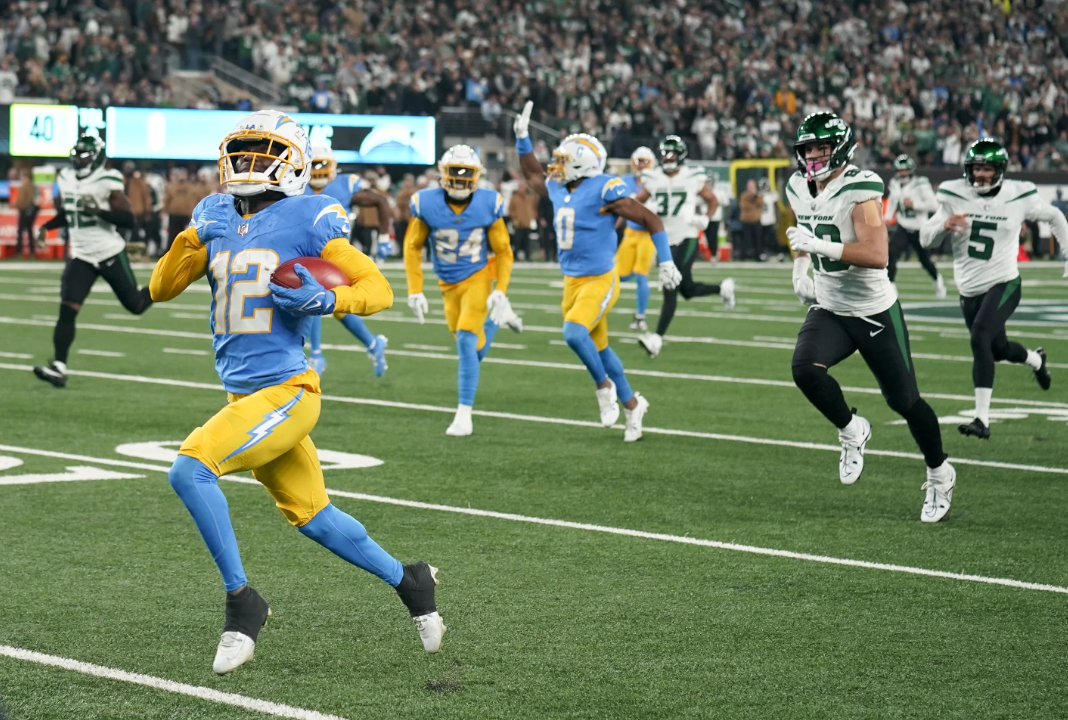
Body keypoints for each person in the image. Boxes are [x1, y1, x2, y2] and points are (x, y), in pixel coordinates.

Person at [148, 110, 443, 675]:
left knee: (191, 469)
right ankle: (412, 582)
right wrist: (191, 236)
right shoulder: (212, 212)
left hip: (288, 390)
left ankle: (243, 604)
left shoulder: (311, 213)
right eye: (245, 150)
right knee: (314, 516)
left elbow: (377, 288)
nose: (249, 163)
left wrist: (328, 301)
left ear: (294, 161)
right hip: (245, 398)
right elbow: (161, 288)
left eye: (265, 152)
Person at [785, 112, 955, 523]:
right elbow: (803, 233)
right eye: (808, 148)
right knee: (805, 369)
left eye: (822, 147)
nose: (813, 155)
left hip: (872, 310)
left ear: (840, 148)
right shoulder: (796, 185)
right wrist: (800, 264)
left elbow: (878, 256)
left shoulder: (860, 187)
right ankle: (851, 429)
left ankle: (939, 472)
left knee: (905, 401)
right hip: (830, 306)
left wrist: (818, 248)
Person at [513, 101, 682, 441]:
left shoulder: (605, 188)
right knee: (601, 349)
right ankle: (634, 405)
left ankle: (603, 387)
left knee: (574, 333)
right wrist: (521, 138)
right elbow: (532, 172)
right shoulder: (560, 185)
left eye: (564, 161)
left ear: (583, 164)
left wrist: (665, 260)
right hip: (571, 282)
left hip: (601, 279)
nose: (556, 166)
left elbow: (651, 219)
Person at [920, 138, 1064, 439]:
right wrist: (943, 224)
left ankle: (982, 420)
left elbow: (1054, 216)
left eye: (986, 168)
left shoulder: (1018, 194)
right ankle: (1036, 360)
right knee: (997, 349)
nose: (980, 174)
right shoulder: (953, 193)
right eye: (975, 168)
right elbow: (924, 238)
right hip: (969, 290)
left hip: (1005, 281)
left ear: (999, 170)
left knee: (980, 337)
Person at [403, 145, 521, 436]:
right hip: (447, 284)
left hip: (478, 276)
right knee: (472, 350)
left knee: (467, 343)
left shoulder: (487, 203)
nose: (458, 178)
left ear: (476, 175)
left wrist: (501, 288)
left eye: (465, 172)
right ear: (442, 173)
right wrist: (415, 289)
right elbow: (412, 247)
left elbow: (503, 252)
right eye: (453, 171)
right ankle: (497, 319)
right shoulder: (427, 203)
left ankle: (464, 414)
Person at [33, 135, 154, 388]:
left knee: (136, 305)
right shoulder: (65, 178)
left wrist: (98, 212)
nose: (78, 158)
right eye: (76, 153)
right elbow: (69, 213)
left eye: (84, 154)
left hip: (108, 251)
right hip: (81, 254)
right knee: (67, 309)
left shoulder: (107, 179)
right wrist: (47, 226)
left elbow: (128, 219)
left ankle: (166, 283)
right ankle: (59, 366)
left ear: (97, 156)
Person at [635, 136, 736, 358]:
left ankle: (656, 339)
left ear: (681, 156)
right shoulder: (653, 177)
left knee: (670, 285)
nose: (667, 157)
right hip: (664, 239)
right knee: (687, 290)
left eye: (672, 153)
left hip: (688, 235)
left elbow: (713, 200)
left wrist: (706, 219)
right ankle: (723, 288)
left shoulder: (692, 176)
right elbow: (635, 202)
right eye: (665, 153)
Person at [303, 146, 392, 377]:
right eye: (315, 164)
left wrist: (384, 237)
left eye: (323, 164)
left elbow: (380, 201)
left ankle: (316, 355)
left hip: (335, 253)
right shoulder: (295, 185)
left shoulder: (344, 184)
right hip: (305, 251)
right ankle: (373, 344)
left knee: (314, 295)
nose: (319, 170)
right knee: (340, 308)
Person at [884, 154, 946, 296]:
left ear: (911, 170)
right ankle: (891, 285)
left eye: (905, 170)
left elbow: (934, 205)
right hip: (903, 226)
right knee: (891, 254)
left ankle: (937, 279)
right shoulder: (894, 183)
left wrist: (915, 205)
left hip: (919, 228)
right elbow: (893, 201)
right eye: (900, 170)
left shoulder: (921, 183)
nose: (903, 173)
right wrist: (888, 217)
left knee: (925, 261)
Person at [615, 147, 657, 332]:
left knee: (641, 275)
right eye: (638, 161)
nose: (641, 165)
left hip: (648, 235)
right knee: (619, 276)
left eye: (644, 161)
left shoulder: (656, 182)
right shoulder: (626, 181)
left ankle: (640, 317)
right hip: (630, 233)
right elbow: (620, 209)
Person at [163, 167, 200, 255]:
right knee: (172, 235)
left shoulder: (191, 188)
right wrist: (164, 211)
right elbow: (167, 199)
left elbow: (195, 200)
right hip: (174, 214)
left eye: (183, 174)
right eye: (180, 174)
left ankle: (186, 252)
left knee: (187, 235)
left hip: (186, 215)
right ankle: (170, 252)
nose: (182, 176)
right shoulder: (172, 186)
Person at [508, 179, 539, 261]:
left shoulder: (530, 198)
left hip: (528, 222)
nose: (521, 189)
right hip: (518, 223)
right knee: (517, 240)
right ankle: (516, 255)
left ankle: (527, 256)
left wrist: (533, 217)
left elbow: (534, 208)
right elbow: (511, 209)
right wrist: (514, 218)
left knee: (527, 240)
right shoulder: (514, 198)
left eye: (522, 187)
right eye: (520, 187)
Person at [14, 168, 37, 258]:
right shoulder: (28, 185)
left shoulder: (27, 186)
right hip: (26, 210)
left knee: (21, 231)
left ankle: (20, 252)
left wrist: (19, 205)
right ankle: (31, 252)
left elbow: (28, 199)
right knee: (29, 231)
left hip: (25, 211)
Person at [738, 179, 763, 260]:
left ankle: (758, 256)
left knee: (758, 240)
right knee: (745, 239)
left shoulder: (759, 196)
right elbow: (744, 206)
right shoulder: (744, 196)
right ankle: (743, 256)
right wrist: (752, 197)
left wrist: (755, 196)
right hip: (746, 220)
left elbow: (760, 204)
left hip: (756, 220)